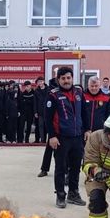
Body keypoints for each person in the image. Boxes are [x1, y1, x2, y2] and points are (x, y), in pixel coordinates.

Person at [46, 67, 87, 208]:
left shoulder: (79, 92)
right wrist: (52, 136)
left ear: (72, 78)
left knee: (76, 167)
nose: (66, 81)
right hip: (61, 138)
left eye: (68, 78)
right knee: (61, 168)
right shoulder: (53, 95)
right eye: (63, 78)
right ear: (58, 80)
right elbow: (47, 118)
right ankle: (60, 195)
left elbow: (84, 112)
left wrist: (87, 130)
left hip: (77, 137)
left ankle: (73, 194)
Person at [34, 77, 48, 144]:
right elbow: (35, 102)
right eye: (38, 82)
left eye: (41, 81)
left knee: (47, 126)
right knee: (41, 126)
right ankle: (42, 140)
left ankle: (48, 139)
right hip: (40, 111)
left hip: (48, 111)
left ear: (43, 81)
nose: (40, 83)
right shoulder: (36, 91)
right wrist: (35, 111)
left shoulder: (48, 89)